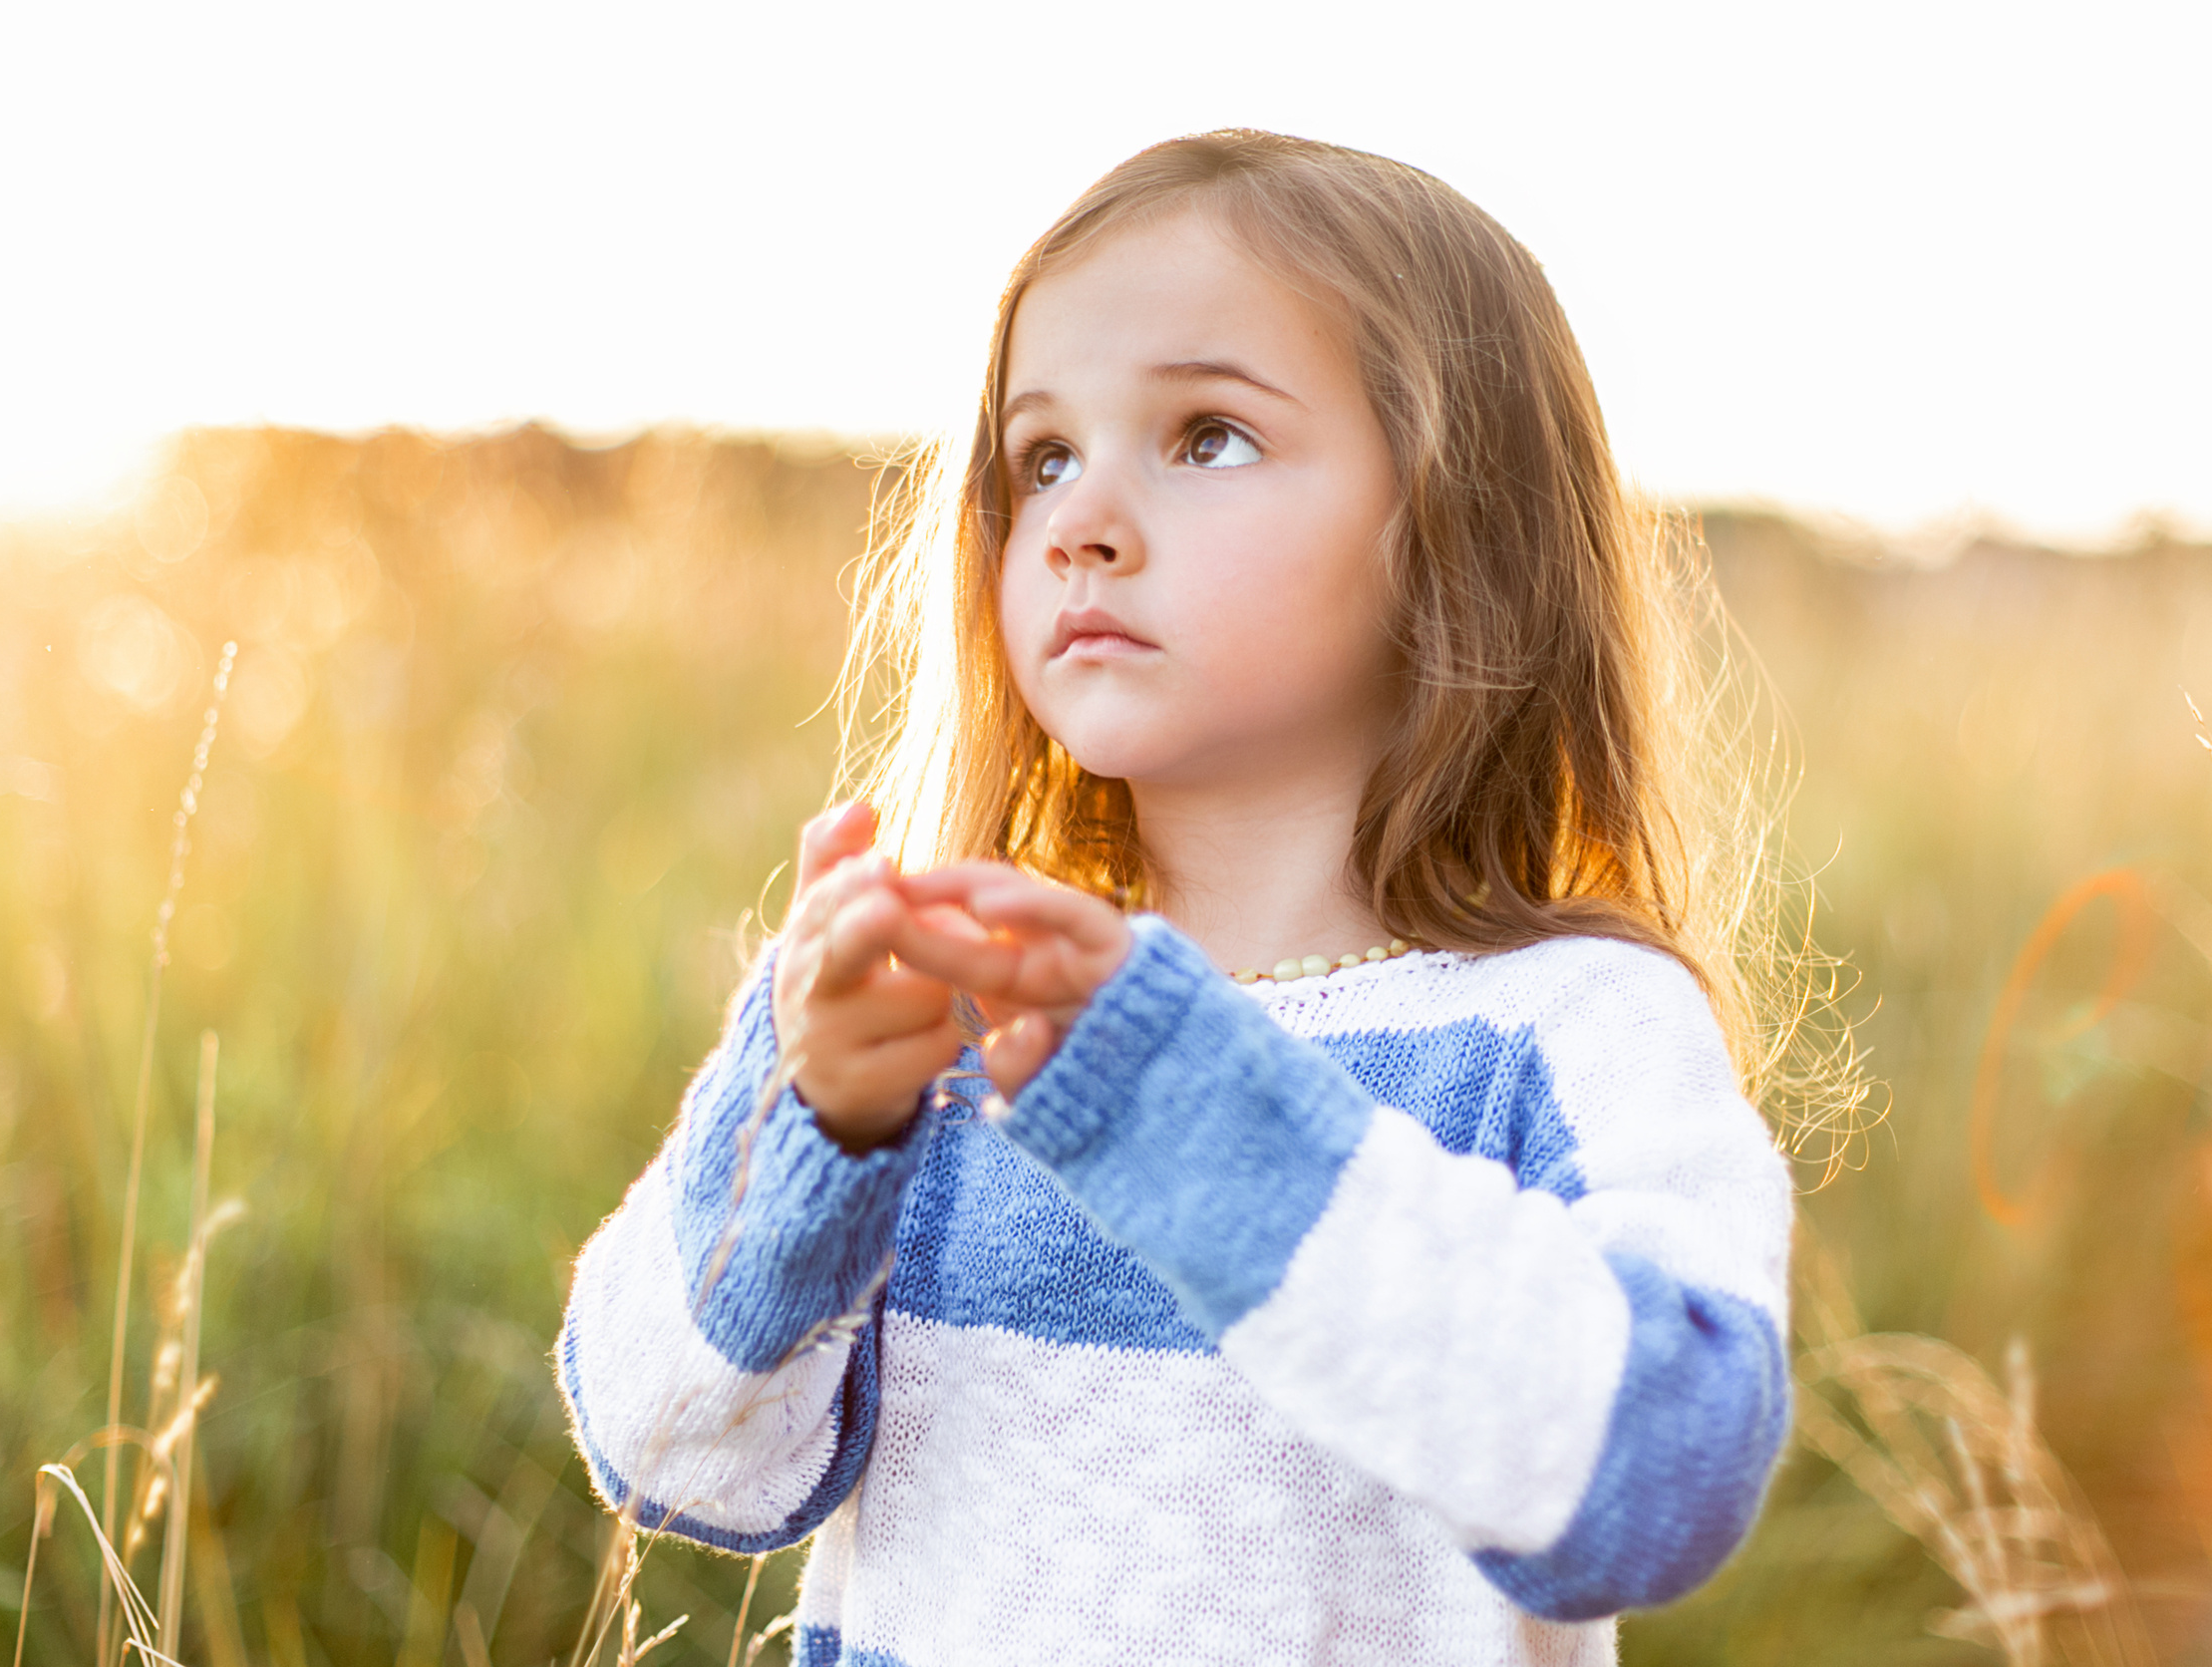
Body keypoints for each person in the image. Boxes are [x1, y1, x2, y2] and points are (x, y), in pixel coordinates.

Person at [556, 130, 1815, 1665]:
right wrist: (813, 1123)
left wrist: (1183, 1105)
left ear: (1453, 524)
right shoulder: (950, 1010)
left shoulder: (1565, 1026)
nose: (1081, 517)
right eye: (1042, 456)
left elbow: (1660, 1474)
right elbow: (671, 1450)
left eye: (1208, 434)